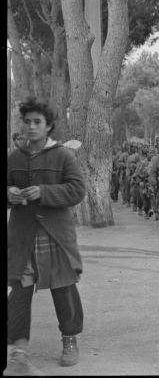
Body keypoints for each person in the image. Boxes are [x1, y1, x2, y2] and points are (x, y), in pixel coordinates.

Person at [6, 98, 86, 375]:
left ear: (48, 126)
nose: (31, 127)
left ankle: (70, 339)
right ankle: (18, 349)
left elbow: (77, 191)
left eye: (37, 122)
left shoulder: (63, 155)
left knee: (64, 289)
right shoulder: (13, 158)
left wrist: (45, 192)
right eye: (27, 122)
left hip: (55, 235)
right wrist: (10, 194)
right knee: (18, 291)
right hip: (22, 236)